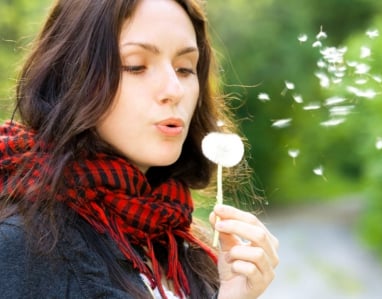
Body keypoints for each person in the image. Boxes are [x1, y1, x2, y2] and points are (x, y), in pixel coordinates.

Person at [0, 0, 279, 299]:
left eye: (185, 69)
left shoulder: (176, 240)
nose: (174, 90)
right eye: (136, 66)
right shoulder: (21, 245)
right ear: (71, 75)